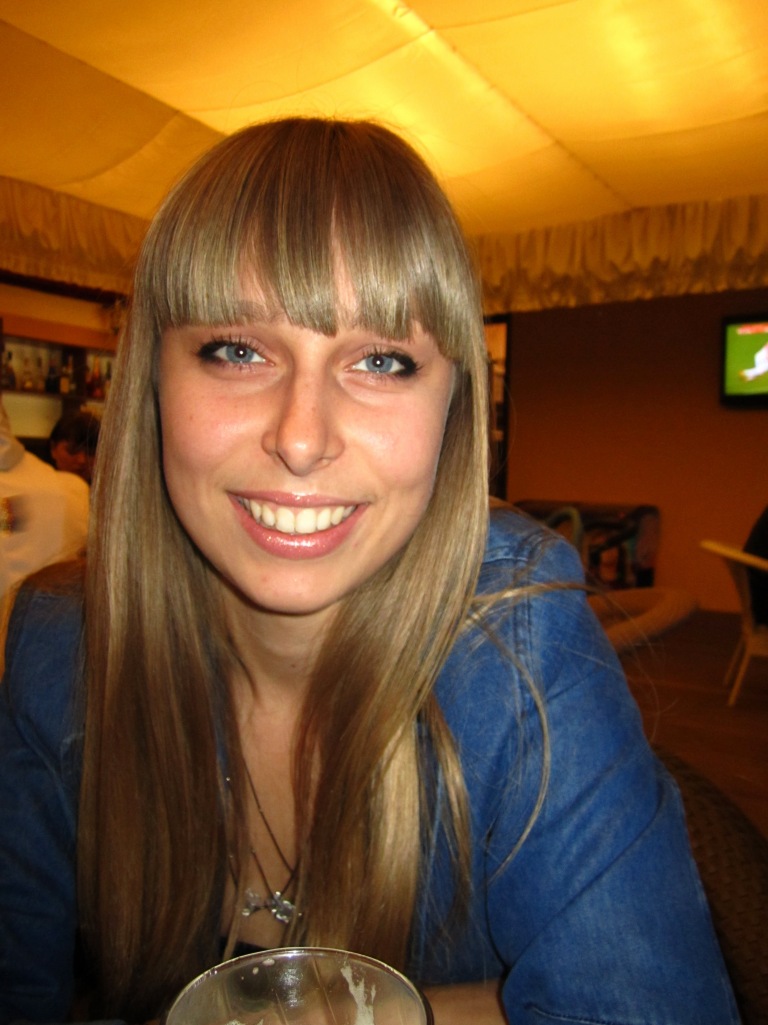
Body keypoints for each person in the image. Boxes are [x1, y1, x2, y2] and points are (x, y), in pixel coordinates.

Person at [0, 118, 739, 1025]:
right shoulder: (59, 647)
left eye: (382, 361)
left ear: (454, 408)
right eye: (238, 350)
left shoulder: (513, 634)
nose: (301, 437)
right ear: (152, 379)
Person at [0, 396, 89, 633]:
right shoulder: (71, 491)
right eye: (72, 450)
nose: (82, 460)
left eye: (89, 451)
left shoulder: (74, 491)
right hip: (56, 634)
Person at [48, 410, 101, 484]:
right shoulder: (36, 485)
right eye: (72, 450)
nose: (82, 460)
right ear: (53, 448)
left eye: (91, 452)